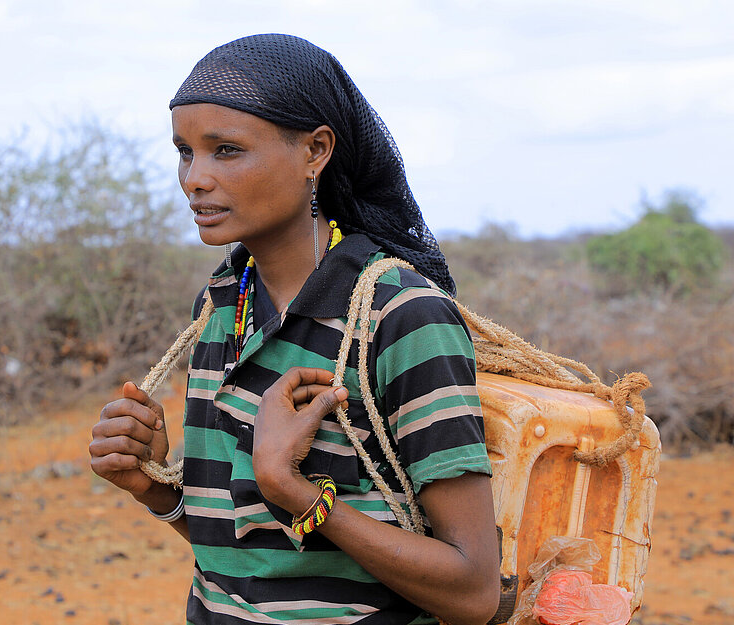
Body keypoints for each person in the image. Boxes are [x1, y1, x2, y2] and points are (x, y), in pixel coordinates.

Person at [89, 34, 500, 625]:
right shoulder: (221, 307)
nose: (194, 178)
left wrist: (292, 488)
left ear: (315, 151)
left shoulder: (400, 316)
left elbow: (472, 592)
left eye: (226, 150)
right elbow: (248, 556)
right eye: (185, 152)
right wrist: (152, 486)